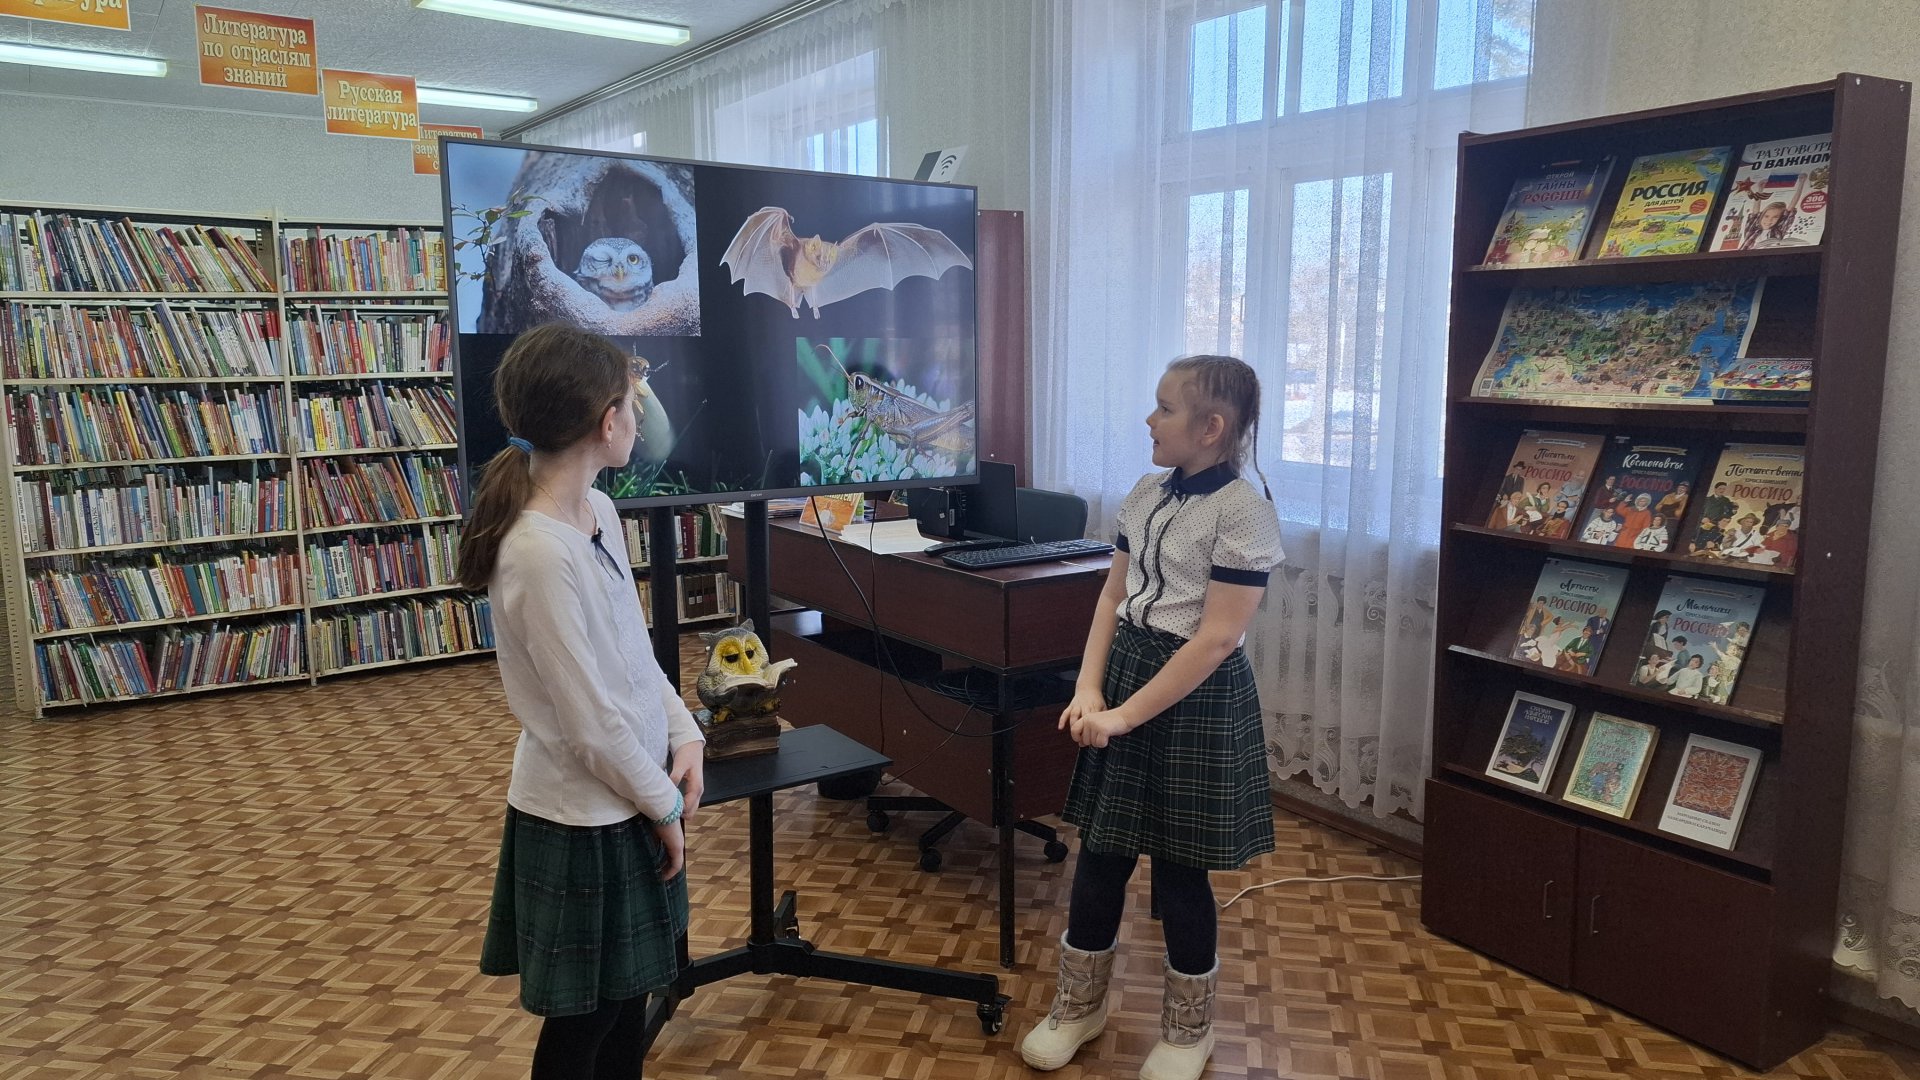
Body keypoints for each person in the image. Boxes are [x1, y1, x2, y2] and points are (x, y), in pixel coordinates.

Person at [1020, 355, 1282, 1080]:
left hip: (1195, 695)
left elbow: (1216, 640)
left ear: (1211, 427)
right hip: (1126, 679)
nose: (1150, 419)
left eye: (1165, 408)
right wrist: (1089, 690)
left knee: (1180, 870)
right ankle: (1079, 1008)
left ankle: (1188, 1033)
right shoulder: (1143, 492)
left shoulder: (1244, 512)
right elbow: (1112, 598)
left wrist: (1125, 716)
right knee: (1100, 854)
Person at [457, 324, 706, 1080]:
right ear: (606, 421)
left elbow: (632, 654)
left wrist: (685, 734)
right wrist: (665, 805)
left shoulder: (600, 509)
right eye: (632, 402)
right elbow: (590, 726)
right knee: (585, 1028)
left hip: (631, 796)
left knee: (628, 1007)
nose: (637, 416)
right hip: (582, 816)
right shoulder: (537, 550)